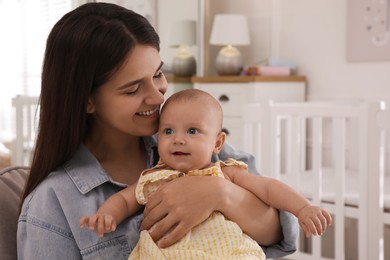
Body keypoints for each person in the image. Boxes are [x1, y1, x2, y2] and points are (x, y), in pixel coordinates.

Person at [17, 3, 298, 259]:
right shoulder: (53, 203)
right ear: (87, 100)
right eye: (133, 89)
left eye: (157, 75)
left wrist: (218, 193)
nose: (157, 97)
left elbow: (280, 232)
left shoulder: (199, 145)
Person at [80, 89, 332, 259]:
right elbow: (125, 199)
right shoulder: (153, 178)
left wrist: (302, 208)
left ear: (217, 143)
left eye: (192, 131)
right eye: (168, 132)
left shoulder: (223, 171)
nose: (178, 140)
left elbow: (268, 188)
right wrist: (106, 215)